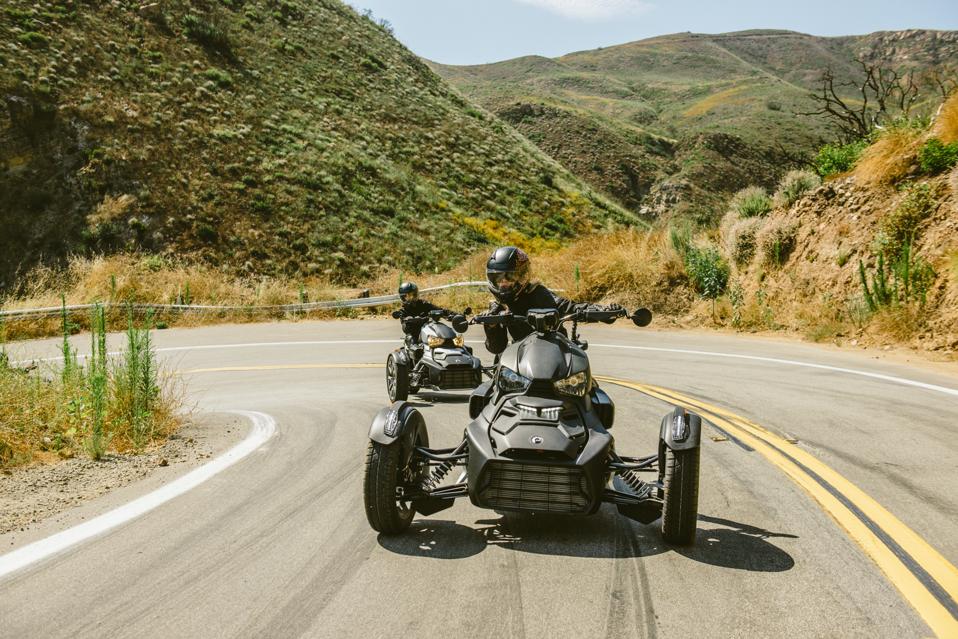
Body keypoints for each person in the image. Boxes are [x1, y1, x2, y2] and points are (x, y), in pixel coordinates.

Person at [482, 246, 621, 354]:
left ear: (522, 276)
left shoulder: (538, 294)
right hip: (521, 355)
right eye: (498, 278)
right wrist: (492, 326)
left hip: (555, 351)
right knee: (496, 378)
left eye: (509, 277)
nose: (504, 283)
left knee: (586, 384)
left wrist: (602, 311)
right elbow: (496, 348)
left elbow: (568, 306)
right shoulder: (497, 308)